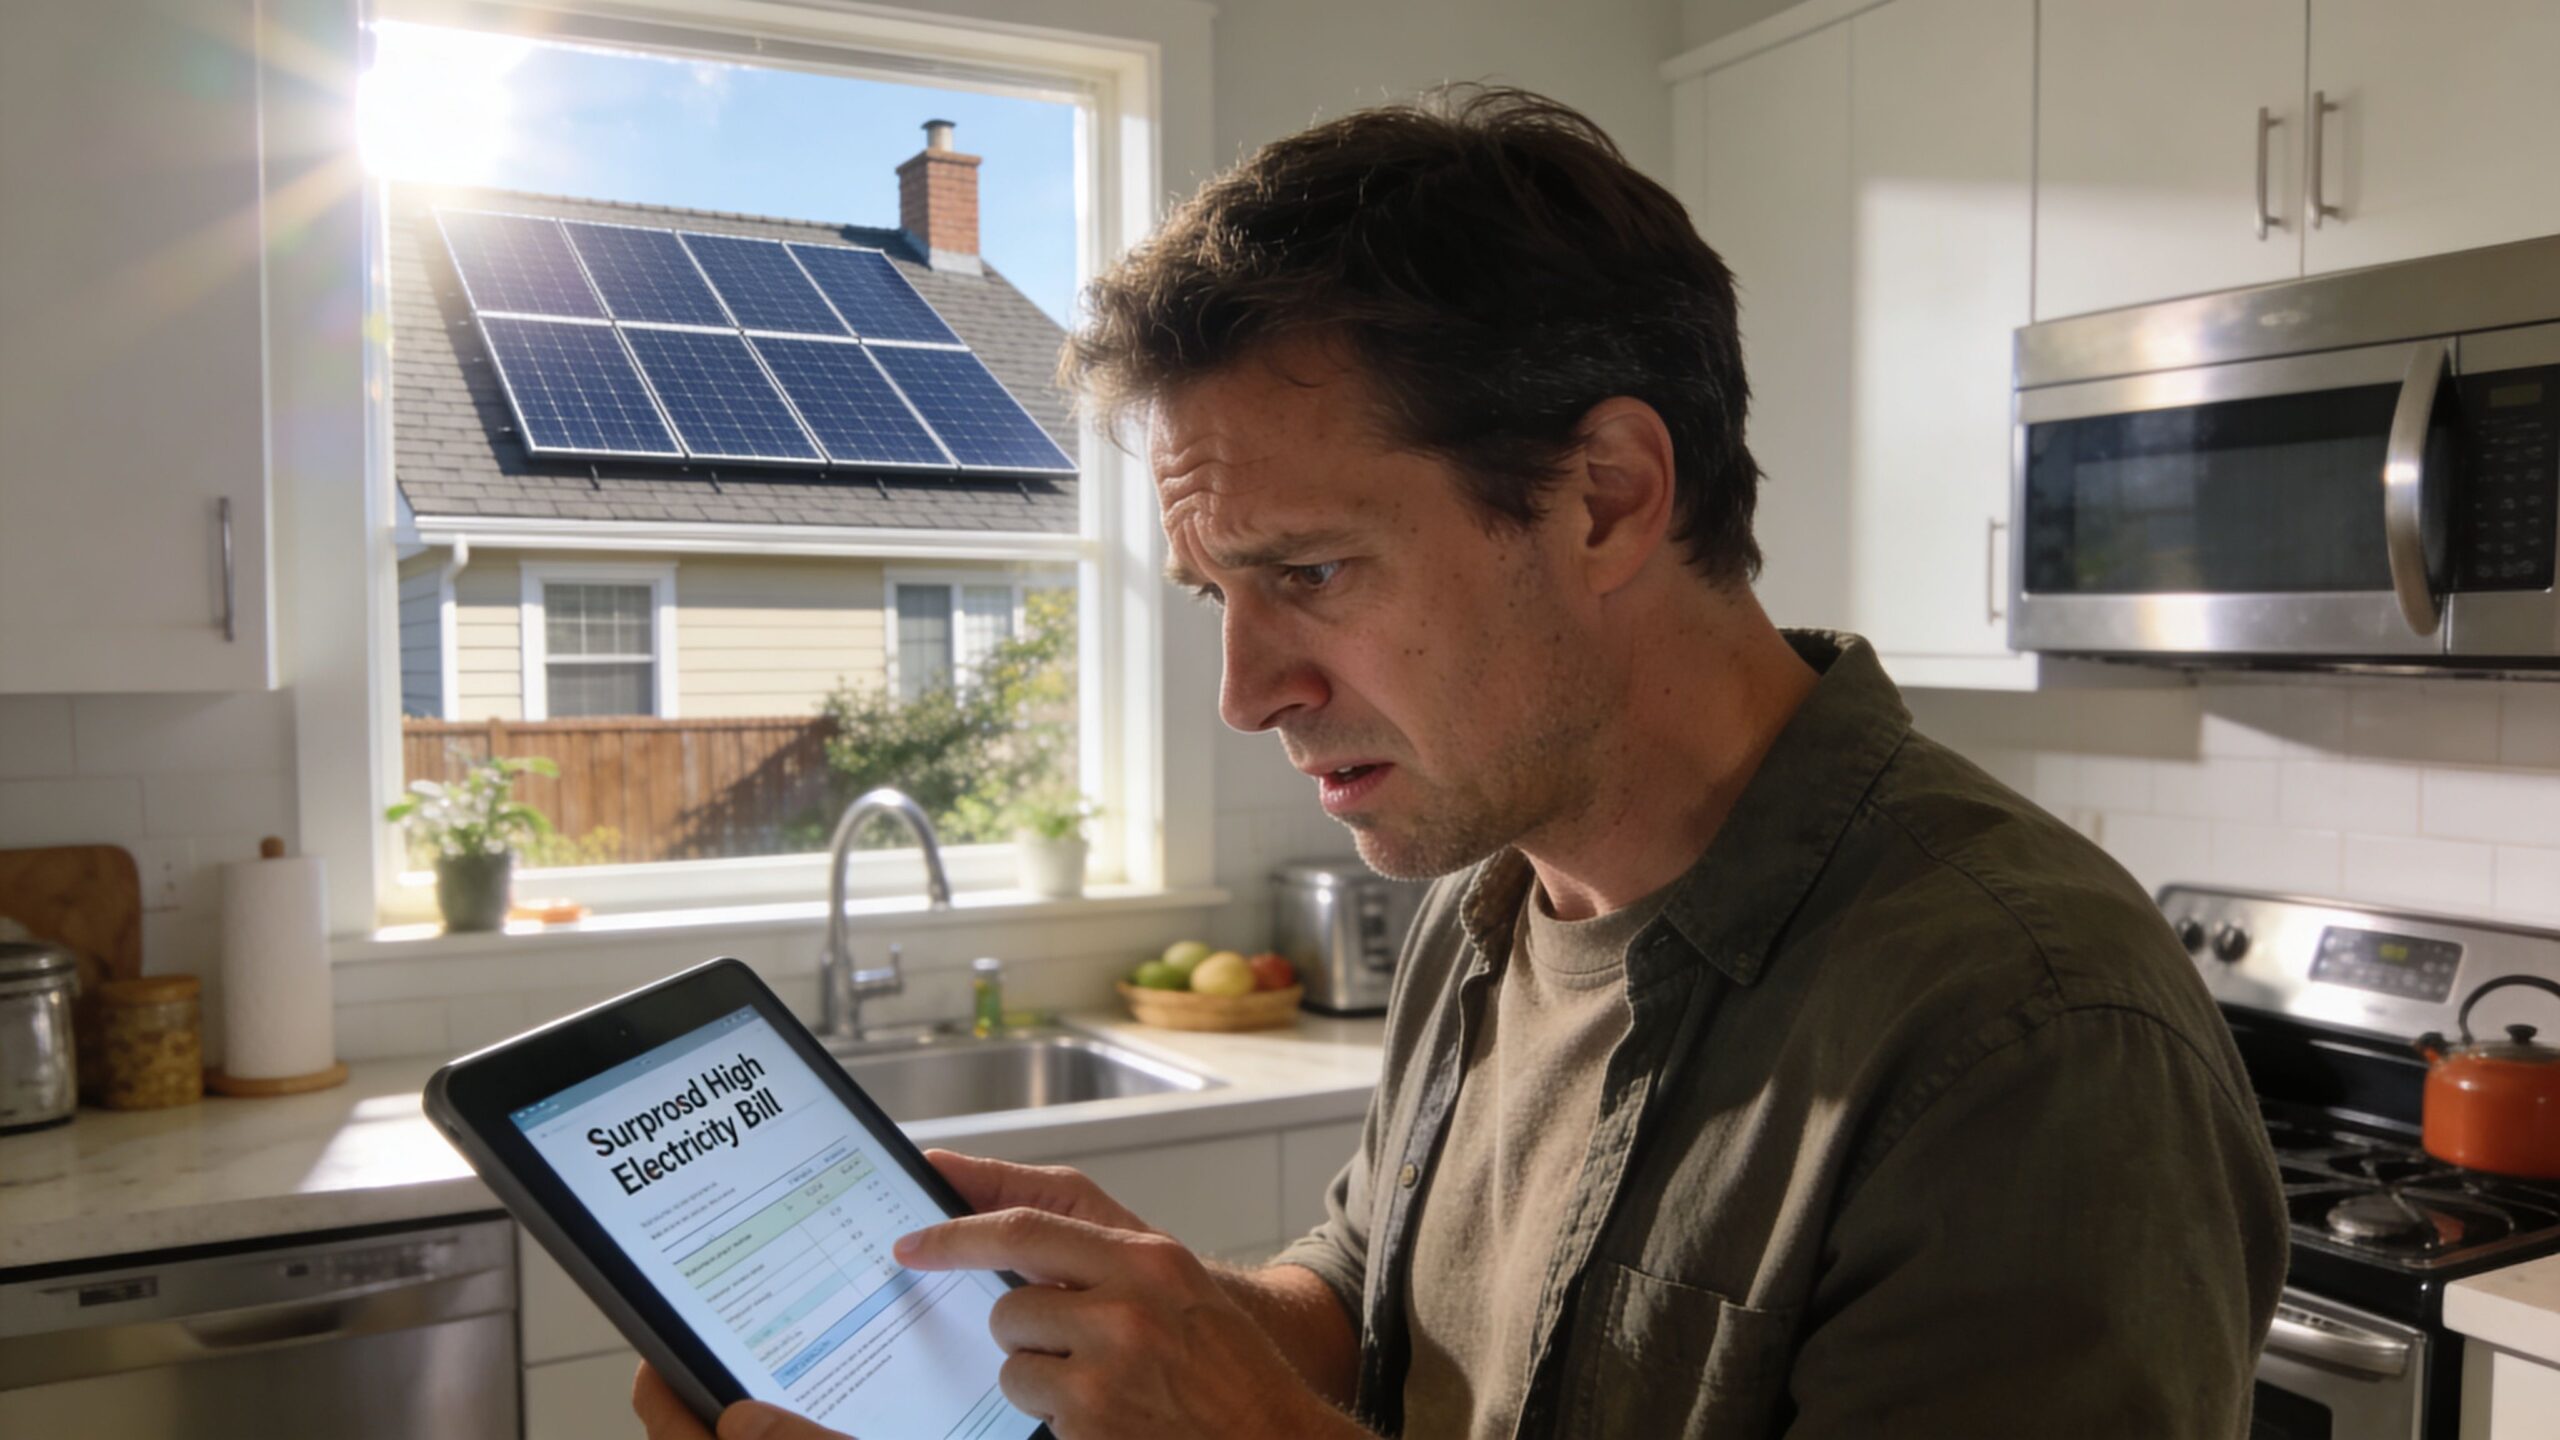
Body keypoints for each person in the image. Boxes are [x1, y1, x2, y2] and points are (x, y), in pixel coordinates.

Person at [636, 86, 2288, 1440]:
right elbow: (1371, 1307)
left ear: (1607, 498)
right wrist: (1175, 1316)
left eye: (1312, 573)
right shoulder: (1492, 890)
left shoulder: (2027, 1035)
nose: (1248, 691)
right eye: (1219, 594)